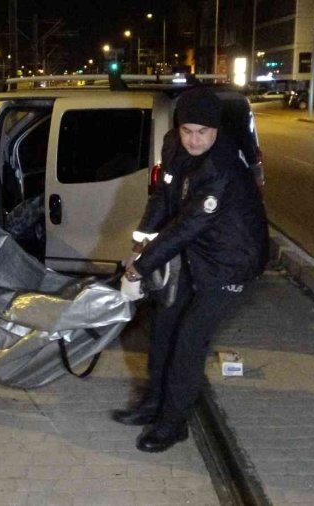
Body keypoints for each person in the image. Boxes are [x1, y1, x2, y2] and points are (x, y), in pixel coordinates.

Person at [113, 88, 269, 453]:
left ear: (215, 130)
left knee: (189, 341)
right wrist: (139, 243)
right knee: (164, 326)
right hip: (198, 252)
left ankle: (173, 424)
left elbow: (187, 225)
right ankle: (154, 404)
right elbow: (163, 197)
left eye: (203, 132)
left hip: (231, 262)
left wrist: (138, 270)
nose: (194, 140)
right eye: (188, 131)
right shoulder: (173, 145)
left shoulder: (221, 168)